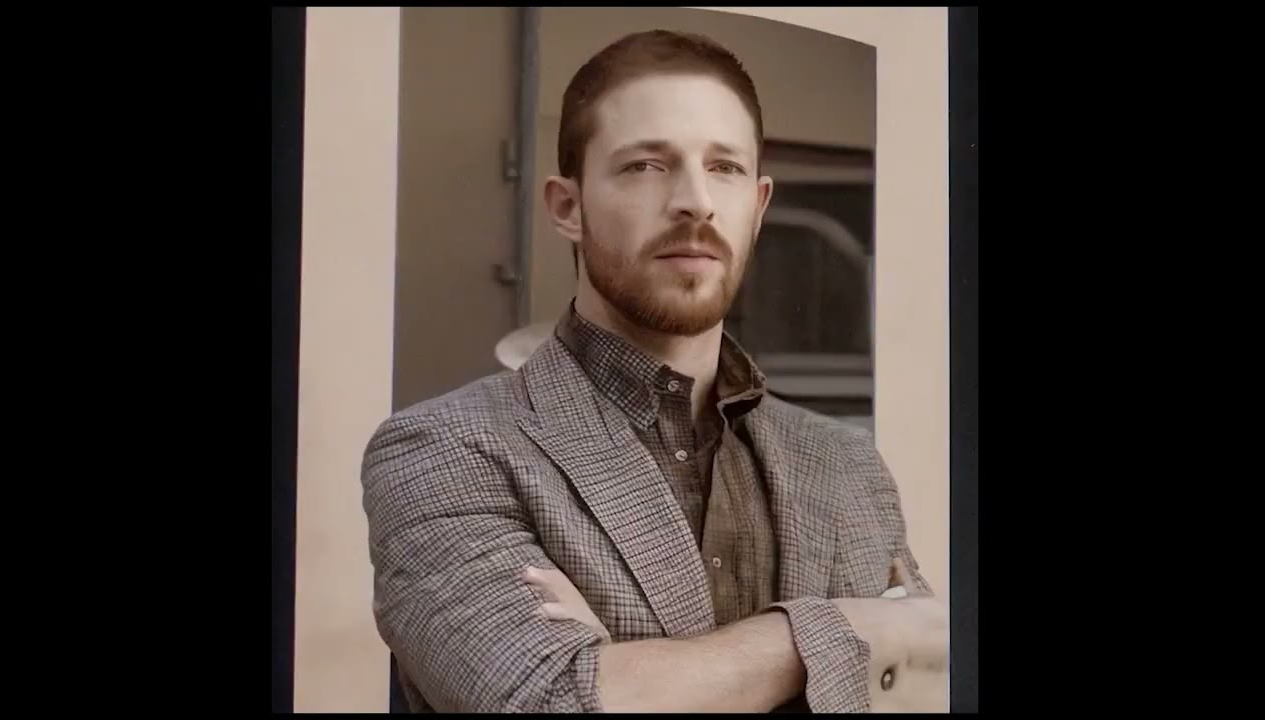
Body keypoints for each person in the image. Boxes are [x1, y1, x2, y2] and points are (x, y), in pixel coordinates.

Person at [361, 29, 947, 713]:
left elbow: (929, 688)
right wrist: (843, 632)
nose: (695, 201)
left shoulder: (850, 470)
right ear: (567, 207)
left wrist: (625, 677)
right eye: (646, 165)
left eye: (724, 167)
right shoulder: (442, 450)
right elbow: (553, 702)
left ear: (758, 206)